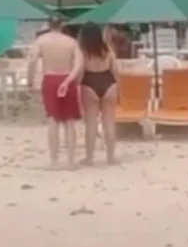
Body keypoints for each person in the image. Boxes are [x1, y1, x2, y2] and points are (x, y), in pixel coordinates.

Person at [27, 16, 84, 169]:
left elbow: (32, 61)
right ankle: (71, 161)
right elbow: (79, 64)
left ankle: (54, 161)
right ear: (62, 25)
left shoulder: (41, 41)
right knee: (69, 121)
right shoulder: (71, 42)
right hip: (67, 79)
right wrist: (70, 80)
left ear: (48, 24)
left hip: (50, 80)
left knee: (53, 120)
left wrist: (30, 80)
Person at [78, 22, 119, 165]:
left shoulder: (83, 51)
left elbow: (81, 70)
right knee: (109, 122)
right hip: (109, 82)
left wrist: (77, 85)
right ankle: (111, 157)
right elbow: (115, 69)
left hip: (90, 83)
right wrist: (119, 87)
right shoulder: (107, 48)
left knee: (91, 123)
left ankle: (89, 158)